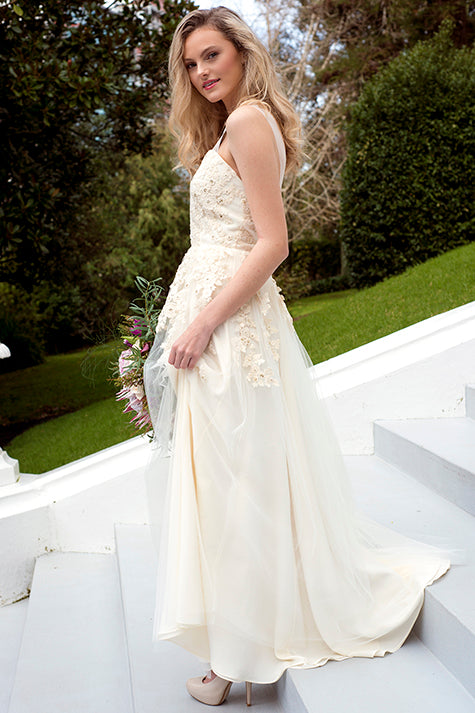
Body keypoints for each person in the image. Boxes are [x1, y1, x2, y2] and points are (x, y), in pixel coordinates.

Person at [143, 6, 450, 707]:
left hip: (230, 333)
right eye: (191, 64)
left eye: (212, 54)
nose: (202, 71)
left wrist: (203, 324)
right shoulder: (232, 126)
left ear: (242, 52)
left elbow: (273, 243)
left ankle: (237, 655)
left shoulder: (250, 122)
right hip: (217, 330)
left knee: (238, 488)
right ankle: (236, 642)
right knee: (229, 486)